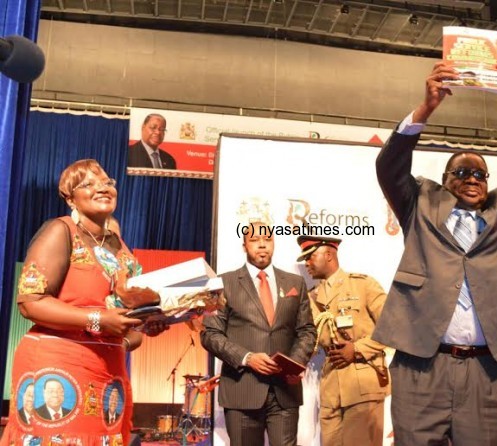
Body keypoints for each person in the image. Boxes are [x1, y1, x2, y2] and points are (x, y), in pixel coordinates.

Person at [372, 57, 497, 445]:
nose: (472, 179)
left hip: (486, 370)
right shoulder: (419, 202)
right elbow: (389, 167)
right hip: (422, 364)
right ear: (445, 180)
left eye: (480, 174)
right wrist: (427, 108)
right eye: (462, 172)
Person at [0, 159, 164, 445]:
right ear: (70, 198)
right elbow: (30, 302)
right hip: (59, 364)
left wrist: (145, 324)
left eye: (107, 182)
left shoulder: (121, 249)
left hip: (108, 370)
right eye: (88, 184)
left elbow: (131, 326)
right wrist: (100, 321)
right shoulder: (59, 231)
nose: (102, 188)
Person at [201, 221, 316, 446]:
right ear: (244, 245)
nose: (262, 245)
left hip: (285, 391)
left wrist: (295, 363)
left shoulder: (295, 283)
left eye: (267, 240)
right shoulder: (223, 283)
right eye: (254, 240)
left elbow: (306, 330)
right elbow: (210, 334)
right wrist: (247, 358)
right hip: (242, 389)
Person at [296, 235, 390, 446]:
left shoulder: (362, 285)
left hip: (363, 383)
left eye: (310, 257)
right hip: (331, 386)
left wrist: (356, 349)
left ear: (328, 254)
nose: (306, 263)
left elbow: (392, 326)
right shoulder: (311, 298)